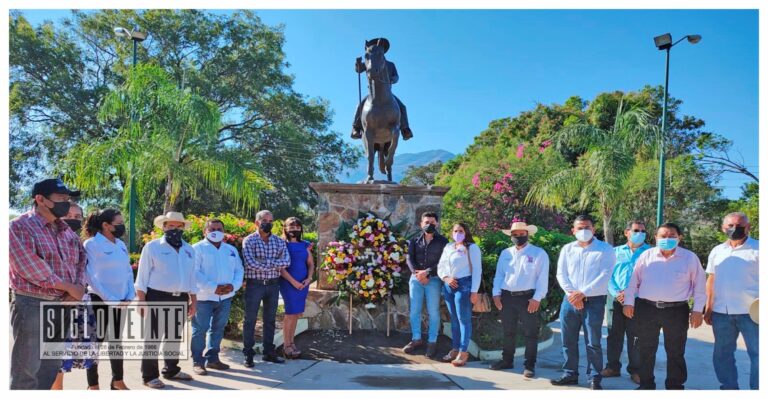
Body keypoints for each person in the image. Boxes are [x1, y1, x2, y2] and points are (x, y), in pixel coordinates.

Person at [9, 178, 87, 390]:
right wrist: (69, 287)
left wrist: (78, 287)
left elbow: (82, 259)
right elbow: (28, 265)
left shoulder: (66, 231)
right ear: (40, 199)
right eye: (61, 198)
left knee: (50, 367)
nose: (66, 203)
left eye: (67, 199)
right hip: (32, 304)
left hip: (63, 305)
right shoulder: (18, 226)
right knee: (27, 369)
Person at [623, 222, 706, 390]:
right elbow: (633, 283)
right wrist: (628, 302)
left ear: (679, 238)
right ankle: (646, 385)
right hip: (646, 308)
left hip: (676, 311)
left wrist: (697, 310)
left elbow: (699, 287)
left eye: (672, 236)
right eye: (663, 236)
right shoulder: (646, 256)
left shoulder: (690, 258)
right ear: (656, 238)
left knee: (675, 351)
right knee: (645, 349)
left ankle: (675, 386)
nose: (667, 239)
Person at [135, 211, 199, 389]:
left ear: (183, 228)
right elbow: (142, 277)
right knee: (153, 339)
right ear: (163, 227)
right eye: (171, 226)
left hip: (180, 298)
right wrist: (141, 300)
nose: (175, 229)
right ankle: (149, 376)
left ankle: (171, 370)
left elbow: (192, 277)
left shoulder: (189, 249)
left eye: (178, 226)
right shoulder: (152, 247)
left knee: (174, 337)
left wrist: (194, 300)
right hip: (157, 296)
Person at [551, 214, 615, 390]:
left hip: (594, 301)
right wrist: (573, 295)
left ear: (594, 229)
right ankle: (570, 374)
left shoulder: (606, 249)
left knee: (593, 342)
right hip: (569, 300)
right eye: (580, 228)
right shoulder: (567, 249)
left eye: (587, 227)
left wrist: (582, 293)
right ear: (573, 230)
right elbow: (561, 274)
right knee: (568, 340)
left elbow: (605, 275)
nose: (584, 231)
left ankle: (594, 377)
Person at [81, 209, 134, 390]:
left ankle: (117, 381)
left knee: (116, 342)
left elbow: (127, 271)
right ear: (106, 225)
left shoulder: (120, 244)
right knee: (95, 344)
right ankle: (93, 385)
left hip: (121, 302)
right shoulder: (92, 244)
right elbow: (90, 277)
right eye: (119, 222)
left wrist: (129, 295)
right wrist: (111, 300)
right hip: (99, 301)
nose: (122, 226)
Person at [704, 212, 759, 390]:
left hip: (753, 313)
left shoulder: (759, 248)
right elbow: (711, 280)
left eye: (739, 225)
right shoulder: (717, 251)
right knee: (722, 354)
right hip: (722, 313)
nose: (734, 229)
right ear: (723, 228)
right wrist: (708, 307)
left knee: (759, 355)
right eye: (730, 225)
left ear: (748, 227)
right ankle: (729, 388)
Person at [490, 220, 549, 378]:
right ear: (511, 236)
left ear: (527, 234)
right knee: (508, 331)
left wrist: (537, 298)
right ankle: (507, 360)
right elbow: (499, 276)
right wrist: (496, 294)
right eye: (515, 235)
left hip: (528, 298)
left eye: (521, 234)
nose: (518, 237)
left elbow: (542, 279)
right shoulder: (505, 253)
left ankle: (529, 366)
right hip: (507, 297)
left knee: (531, 333)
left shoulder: (539, 253)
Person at [191, 218, 244, 375]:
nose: (216, 232)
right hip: (204, 297)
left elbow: (239, 270)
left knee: (218, 328)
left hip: (225, 297)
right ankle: (197, 362)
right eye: (212, 229)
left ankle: (213, 359)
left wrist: (233, 286)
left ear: (223, 231)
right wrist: (213, 288)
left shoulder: (231, 250)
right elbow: (194, 272)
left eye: (219, 229)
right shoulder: (197, 249)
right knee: (200, 329)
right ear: (205, 232)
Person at [601, 220, 651, 384]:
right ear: (626, 232)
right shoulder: (614, 252)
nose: (640, 234)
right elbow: (608, 275)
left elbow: (651, 278)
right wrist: (617, 293)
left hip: (638, 300)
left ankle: (635, 370)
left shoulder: (650, 252)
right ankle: (613, 367)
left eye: (643, 231)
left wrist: (631, 294)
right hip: (615, 299)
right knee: (614, 334)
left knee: (635, 336)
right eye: (636, 230)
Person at [242, 210, 290, 366]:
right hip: (254, 285)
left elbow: (286, 261)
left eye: (270, 220)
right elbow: (250, 264)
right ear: (257, 222)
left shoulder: (279, 241)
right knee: (250, 320)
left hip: (273, 285)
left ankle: (268, 353)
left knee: (270, 320)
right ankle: (248, 354)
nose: (268, 223)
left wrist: (263, 262)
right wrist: (274, 264)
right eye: (264, 220)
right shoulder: (249, 240)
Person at [403, 212, 449, 358]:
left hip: (433, 280)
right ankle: (416, 339)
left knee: (433, 312)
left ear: (437, 224)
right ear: (421, 224)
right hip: (416, 280)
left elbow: (444, 261)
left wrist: (427, 273)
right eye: (426, 222)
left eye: (432, 222)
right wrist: (417, 274)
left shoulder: (443, 241)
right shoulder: (414, 240)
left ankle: (432, 342)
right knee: (414, 311)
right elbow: (409, 259)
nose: (429, 224)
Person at [437, 222, 482, 367]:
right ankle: (455, 349)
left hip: (464, 285)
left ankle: (463, 352)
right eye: (455, 230)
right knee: (454, 320)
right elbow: (441, 266)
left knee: (464, 320)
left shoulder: (471, 247)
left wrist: (474, 291)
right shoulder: (449, 247)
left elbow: (477, 270)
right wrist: (446, 277)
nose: (458, 233)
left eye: (460, 230)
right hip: (448, 285)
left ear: (466, 232)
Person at [351, 37, 413, 141]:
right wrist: (357, 64)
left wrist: (392, 80)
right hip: (372, 93)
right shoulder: (369, 62)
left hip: (387, 92)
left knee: (402, 107)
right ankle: (355, 127)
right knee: (360, 105)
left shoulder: (390, 64)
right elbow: (358, 70)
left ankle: (405, 129)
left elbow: (396, 76)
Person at [279, 217, 314, 359]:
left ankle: (292, 343)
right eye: (291, 226)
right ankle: (286, 346)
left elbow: (311, 264)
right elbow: (281, 268)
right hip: (289, 283)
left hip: (303, 284)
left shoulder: (305, 245)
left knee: (296, 314)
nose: (294, 229)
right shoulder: (282, 245)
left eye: (297, 226)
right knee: (289, 314)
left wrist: (309, 279)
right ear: (285, 228)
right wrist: (294, 282)